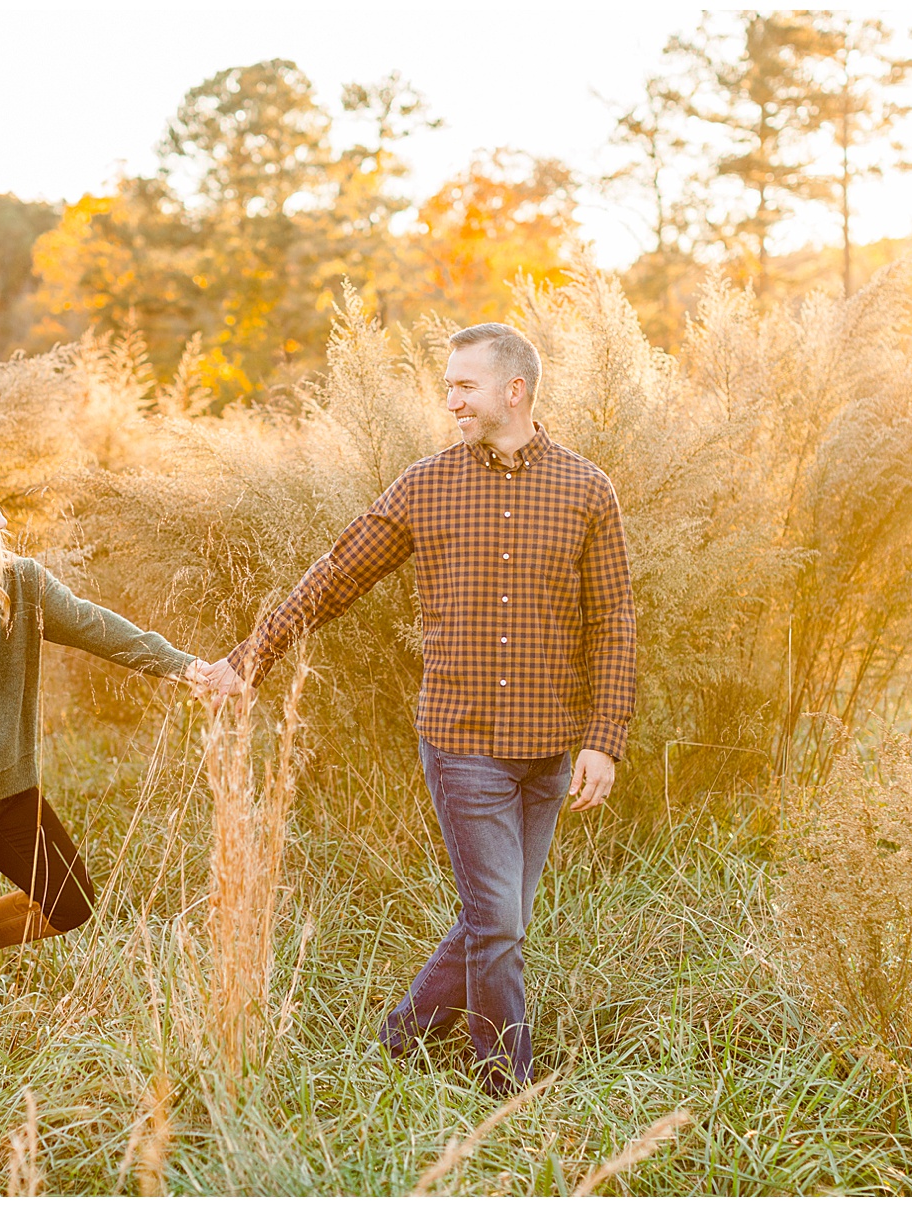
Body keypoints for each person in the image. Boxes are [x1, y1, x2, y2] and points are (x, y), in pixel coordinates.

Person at [198, 323, 637, 1095]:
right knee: (498, 925)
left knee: (494, 923)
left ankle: (401, 1036)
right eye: (448, 385)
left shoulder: (586, 488)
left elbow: (614, 621)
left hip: (548, 751)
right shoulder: (426, 484)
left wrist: (604, 737)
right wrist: (250, 658)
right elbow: (336, 575)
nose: (450, 400)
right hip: (462, 743)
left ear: (515, 390)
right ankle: (506, 1088)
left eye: (464, 385)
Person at [0, 449, 207, 1041]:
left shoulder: (21, 582)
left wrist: (184, 669)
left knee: (70, 901)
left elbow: (97, 626)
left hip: (14, 790)